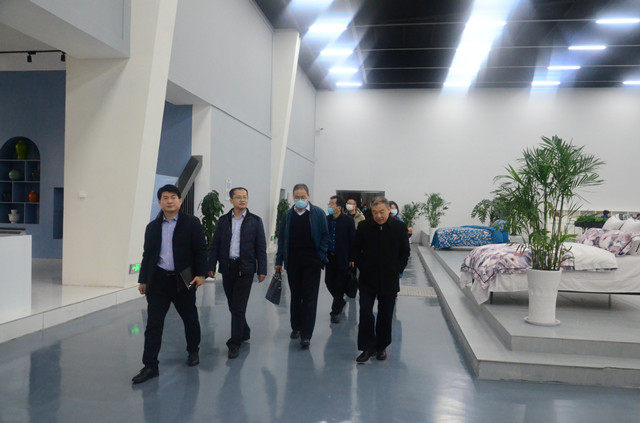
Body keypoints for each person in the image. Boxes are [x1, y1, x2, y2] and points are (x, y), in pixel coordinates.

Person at [132, 184, 207, 384]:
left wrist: (201, 275)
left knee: (190, 318)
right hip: (158, 281)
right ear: (159, 202)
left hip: (184, 279)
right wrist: (143, 279)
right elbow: (147, 255)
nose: (169, 201)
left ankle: (193, 350)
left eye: (173, 197)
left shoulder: (191, 223)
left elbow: (200, 250)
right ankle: (150, 365)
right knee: (153, 324)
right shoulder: (152, 227)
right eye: (165, 198)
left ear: (180, 201)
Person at [208, 187, 267, 359]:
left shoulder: (255, 221)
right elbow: (215, 244)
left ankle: (234, 343)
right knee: (233, 305)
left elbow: (261, 247)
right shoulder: (223, 220)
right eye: (238, 197)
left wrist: (262, 269)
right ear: (231, 200)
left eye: (245, 197)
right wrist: (211, 265)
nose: (242, 200)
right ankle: (244, 331)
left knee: (238, 307)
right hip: (228, 267)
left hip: (245, 269)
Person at [350, 197, 410, 363]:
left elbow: (405, 252)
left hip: (389, 279)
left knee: (385, 314)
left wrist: (397, 269)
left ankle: (381, 347)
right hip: (367, 279)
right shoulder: (364, 226)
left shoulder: (399, 227)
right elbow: (355, 249)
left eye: (382, 212)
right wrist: (363, 267)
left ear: (388, 210)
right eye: (375, 212)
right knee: (365, 312)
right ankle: (367, 347)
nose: (379, 216)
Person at [275, 183, 329, 349]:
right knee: (296, 296)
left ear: (308, 196)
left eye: (303, 197)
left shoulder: (318, 213)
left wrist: (320, 256)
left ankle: (306, 334)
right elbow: (282, 239)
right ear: (293, 197)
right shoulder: (287, 216)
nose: (300, 200)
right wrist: (279, 261)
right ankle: (296, 326)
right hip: (293, 262)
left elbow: (325, 236)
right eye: (297, 197)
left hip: (312, 263)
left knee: (310, 298)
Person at [325, 195, 356, 324]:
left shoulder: (348, 221)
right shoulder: (326, 220)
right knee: (328, 282)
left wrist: (352, 258)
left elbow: (353, 240)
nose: (329, 206)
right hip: (329, 258)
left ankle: (335, 311)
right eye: (329, 204)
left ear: (339, 207)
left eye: (332, 204)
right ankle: (340, 301)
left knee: (339, 285)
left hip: (343, 258)